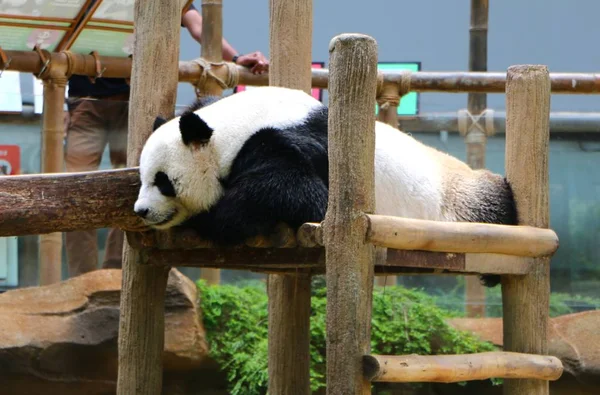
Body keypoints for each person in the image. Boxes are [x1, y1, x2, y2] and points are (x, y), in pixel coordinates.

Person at [64, 3, 269, 277]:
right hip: (86, 100)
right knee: (76, 188)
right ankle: (83, 280)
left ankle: (116, 273)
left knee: (133, 184)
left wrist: (236, 57)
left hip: (135, 99)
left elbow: (199, 26)